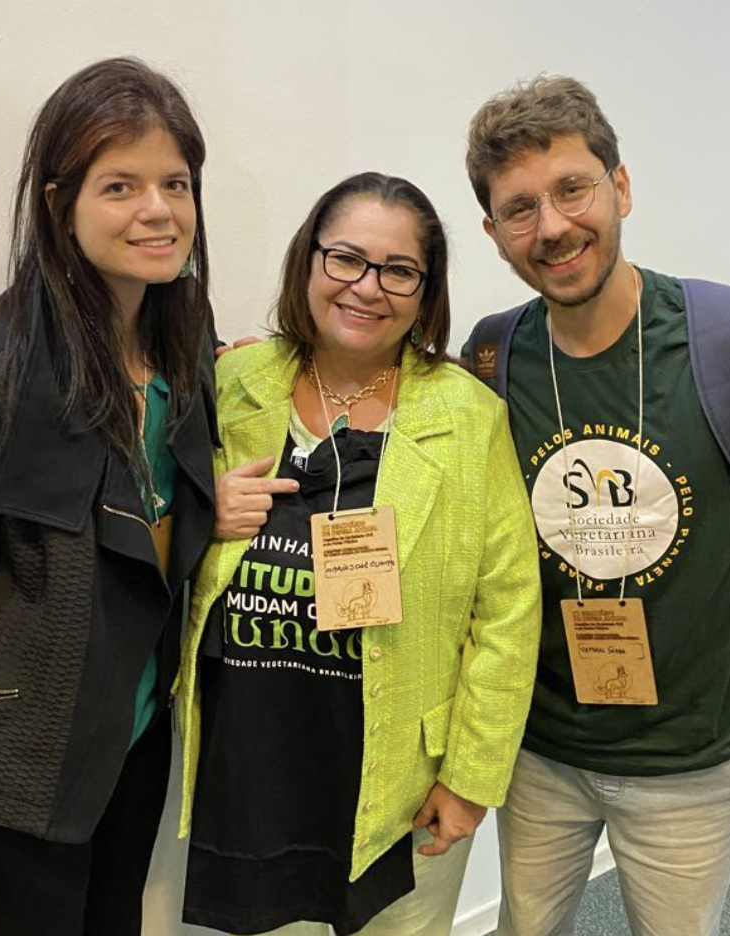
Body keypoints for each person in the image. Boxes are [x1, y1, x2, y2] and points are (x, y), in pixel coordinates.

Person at [461, 77, 730, 936]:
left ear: (621, 187)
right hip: (539, 746)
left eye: (572, 188)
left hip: (694, 757)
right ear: (493, 234)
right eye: (520, 208)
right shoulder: (492, 355)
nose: (552, 227)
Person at [0, 57, 218, 936]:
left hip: (136, 736)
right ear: (61, 203)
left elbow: (159, 511)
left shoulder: (187, 337)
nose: (158, 210)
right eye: (120, 185)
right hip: (18, 765)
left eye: (175, 183)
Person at [176, 172, 542, 936]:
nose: (367, 287)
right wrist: (202, 513)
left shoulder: (469, 417)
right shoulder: (233, 383)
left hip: (403, 785)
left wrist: (471, 779)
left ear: (426, 291)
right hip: (253, 772)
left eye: (399, 270)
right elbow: (154, 522)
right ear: (308, 260)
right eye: (346, 258)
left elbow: (509, 611)